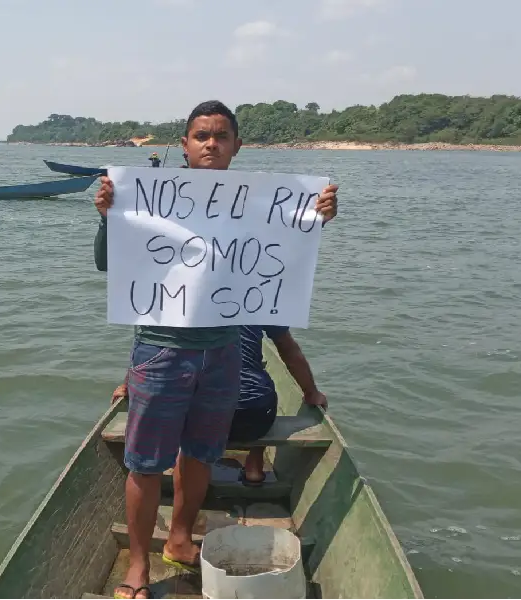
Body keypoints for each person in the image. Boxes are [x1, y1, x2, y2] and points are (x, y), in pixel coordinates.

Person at [93, 100, 339, 600]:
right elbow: (107, 265)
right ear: (184, 145)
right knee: (143, 464)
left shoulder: (257, 204)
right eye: (201, 135)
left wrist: (314, 219)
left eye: (221, 135)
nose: (211, 143)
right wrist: (108, 219)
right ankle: (138, 566)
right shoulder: (150, 198)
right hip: (162, 351)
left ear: (236, 146)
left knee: (202, 454)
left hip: (223, 353)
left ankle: (180, 537)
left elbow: (282, 257)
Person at [110, 326, 327, 486]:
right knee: (261, 389)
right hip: (252, 419)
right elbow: (290, 351)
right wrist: (312, 393)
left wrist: (127, 384)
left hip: (203, 417)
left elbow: (151, 356)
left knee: (186, 402)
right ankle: (254, 465)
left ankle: (181, 461)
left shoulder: (182, 311)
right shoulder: (257, 297)